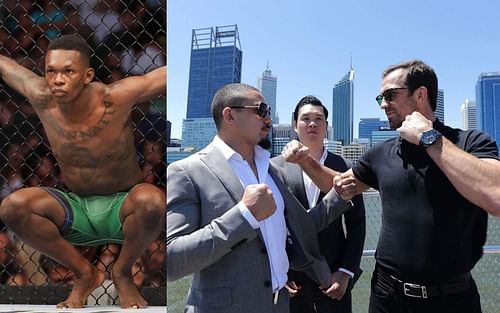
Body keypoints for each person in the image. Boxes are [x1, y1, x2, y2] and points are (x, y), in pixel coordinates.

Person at [282, 60, 500, 313]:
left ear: (420, 94)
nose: (383, 104)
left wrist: (428, 138)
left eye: (390, 95)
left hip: (452, 297)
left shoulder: (470, 142)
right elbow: (341, 187)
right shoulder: (381, 153)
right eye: (380, 97)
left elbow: (494, 195)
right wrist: (305, 161)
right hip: (387, 296)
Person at [0, 34, 166, 309]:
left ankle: (122, 272)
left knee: (152, 200)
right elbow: (7, 68)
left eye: (68, 71)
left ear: (87, 75)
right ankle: (83, 272)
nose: (57, 79)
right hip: (76, 209)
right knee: (12, 207)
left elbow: (164, 76)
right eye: (51, 71)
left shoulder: (116, 98)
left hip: (124, 209)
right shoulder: (42, 96)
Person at [166, 83, 354, 313]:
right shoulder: (187, 172)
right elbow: (172, 260)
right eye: (261, 110)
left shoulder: (272, 171)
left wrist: (341, 194)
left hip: (281, 305)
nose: (269, 119)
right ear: (230, 115)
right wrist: (244, 215)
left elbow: (303, 226)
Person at [272, 95, 365, 313]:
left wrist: (346, 271)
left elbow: (357, 224)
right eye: (305, 119)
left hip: (334, 277)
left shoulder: (345, 167)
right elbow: (271, 226)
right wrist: (279, 271)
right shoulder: (274, 168)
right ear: (295, 125)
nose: (312, 123)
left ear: (326, 126)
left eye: (318, 118)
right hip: (292, 278)